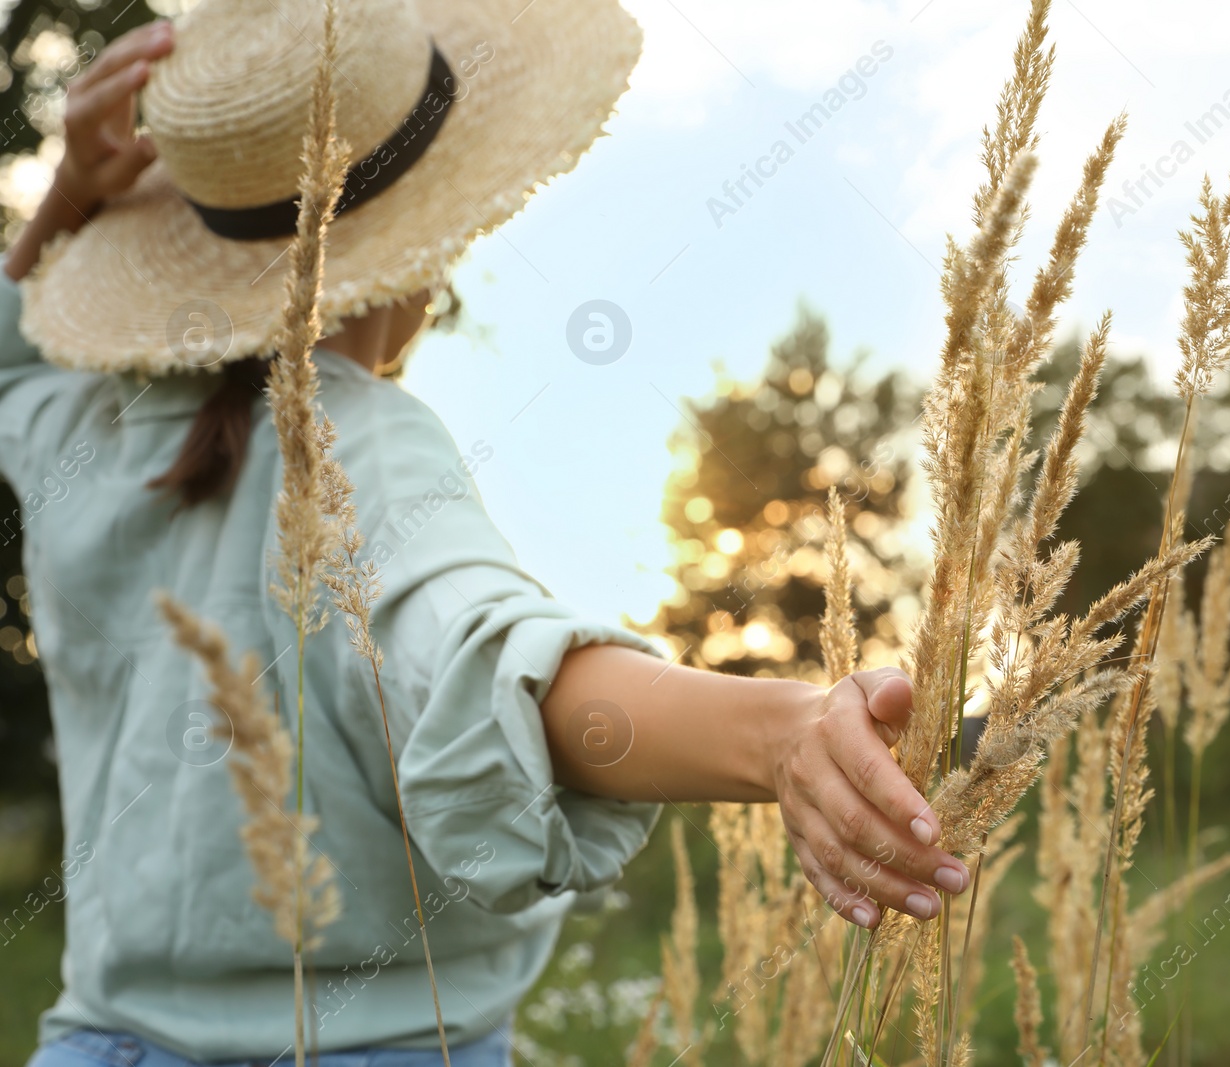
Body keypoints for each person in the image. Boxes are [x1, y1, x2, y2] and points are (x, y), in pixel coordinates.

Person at [0, 2, 968, 1064]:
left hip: (91, 1042)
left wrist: (70, 200)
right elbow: (494, 660)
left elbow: (15, 355)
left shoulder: (79, 441)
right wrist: (776, 729)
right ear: (426, 253)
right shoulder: (357, 441)